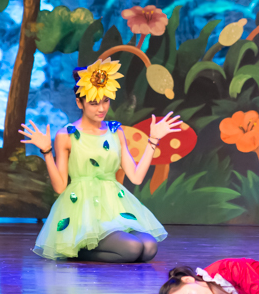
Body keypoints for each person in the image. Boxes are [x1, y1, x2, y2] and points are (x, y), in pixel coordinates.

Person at [22, 57, 178, 262]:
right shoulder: (66, 135)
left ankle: (101, 246)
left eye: (105, 101)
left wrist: (153, 139)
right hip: (83, 208)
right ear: (79, 102)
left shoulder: (115, 131)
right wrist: (47, 152)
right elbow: (60, 187)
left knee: (149, 247)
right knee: (132, 248)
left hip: (114, 205)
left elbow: (136, 177)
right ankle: (76, 248)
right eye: (94, 103)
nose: (101, 108)